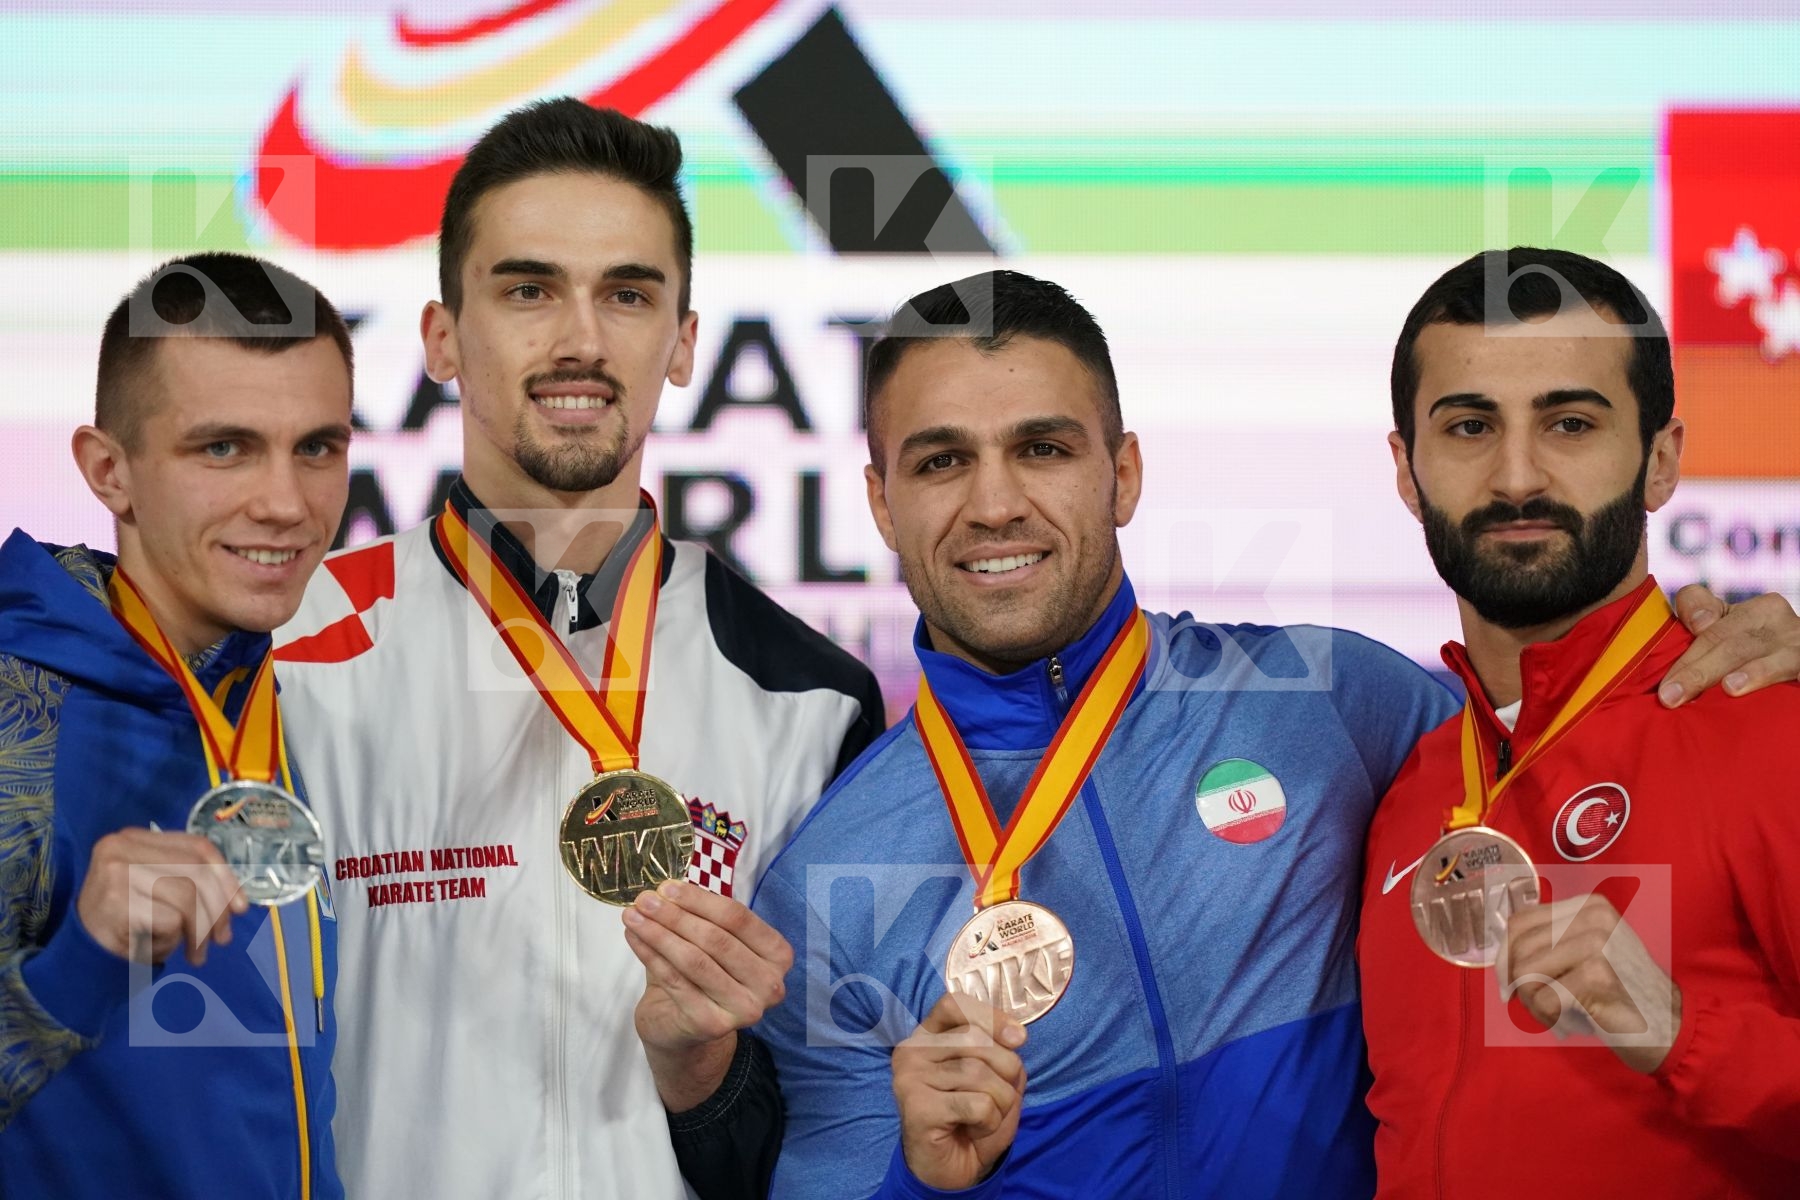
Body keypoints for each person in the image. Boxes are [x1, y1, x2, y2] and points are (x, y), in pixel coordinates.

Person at [743, 269, 1800, 1199]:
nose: (994, 504)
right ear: (880, 501)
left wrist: (1748, 648)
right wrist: (923, 1185)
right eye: (940, 462)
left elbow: (1563, 717)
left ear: (1123, 474)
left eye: (1043, 448)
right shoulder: (826, 877)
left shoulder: (1333, 702)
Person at [272, 98, 883, 1200]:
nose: (581, 342)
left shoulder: (812, 699)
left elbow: (834, 1134)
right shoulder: (289, 656)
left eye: (628, 294)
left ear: (684, 342)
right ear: (442, 338)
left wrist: (706, 1078)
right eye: (528, 290)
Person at [1358, 247, 1800, 1197]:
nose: (1517, 476)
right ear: (1407, 469)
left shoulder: (1768, 729)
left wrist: (1682, 1032)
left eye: (1570, 423)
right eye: (1469, 426)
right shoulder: (1410, 790)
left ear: (1660, 460)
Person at [0, 252, 355, 1198]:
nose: (286, 504)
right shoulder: (17, 713)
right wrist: (81, 959)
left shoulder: (297, 696)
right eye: (224, 449)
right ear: (108, 470)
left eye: (317, 447)